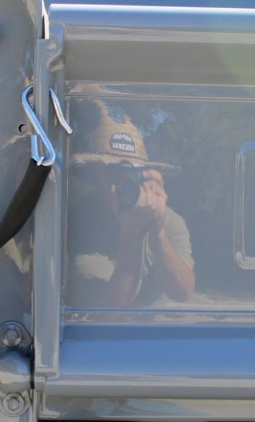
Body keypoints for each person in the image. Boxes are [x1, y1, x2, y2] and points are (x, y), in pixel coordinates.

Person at [68, 116, 195, 307]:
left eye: (132, 171)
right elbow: (106, 319)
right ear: (95, 174)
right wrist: (131, 235)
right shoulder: (82, 222)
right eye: (113, 170)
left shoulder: (167, 218)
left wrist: (158, 232)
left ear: (146, 173)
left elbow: (182, 292)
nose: (121, 181)